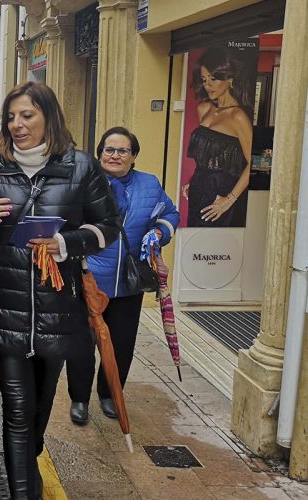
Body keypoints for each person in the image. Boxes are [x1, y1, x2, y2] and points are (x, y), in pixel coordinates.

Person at [0, 81, 119, 498]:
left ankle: (28, 463)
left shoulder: (81, 167)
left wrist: (67, 244)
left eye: (26, 115)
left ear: (48, 117)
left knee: (37, 413)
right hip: (7, 305)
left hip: (59, 310)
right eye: (11, 116)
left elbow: (109, 228)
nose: (17, 124)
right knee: (16, 411)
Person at [65, 127, 180, 425]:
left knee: (121, 344)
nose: (115, 156)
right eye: (109, 150)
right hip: (88, 277)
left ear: (133, 156)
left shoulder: (149, 185)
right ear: (100, 153)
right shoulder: (83, 183)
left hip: (128, 281)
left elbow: (171, 213)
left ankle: (109, 393)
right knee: (81, 344)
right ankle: (78, 398)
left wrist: (159, 232)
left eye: (122, 151)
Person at [182, 47, 253, 227]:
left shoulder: (238, 117)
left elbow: (255, 163)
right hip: (199, 189)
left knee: (214, 249)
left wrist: (229, 199)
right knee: (195, 246)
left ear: (230, 79)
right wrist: (193, 181)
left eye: (213, 79)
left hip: (221, 194)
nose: (207, 85)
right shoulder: (203, 109)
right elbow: (207, 155)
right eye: (204, 80)